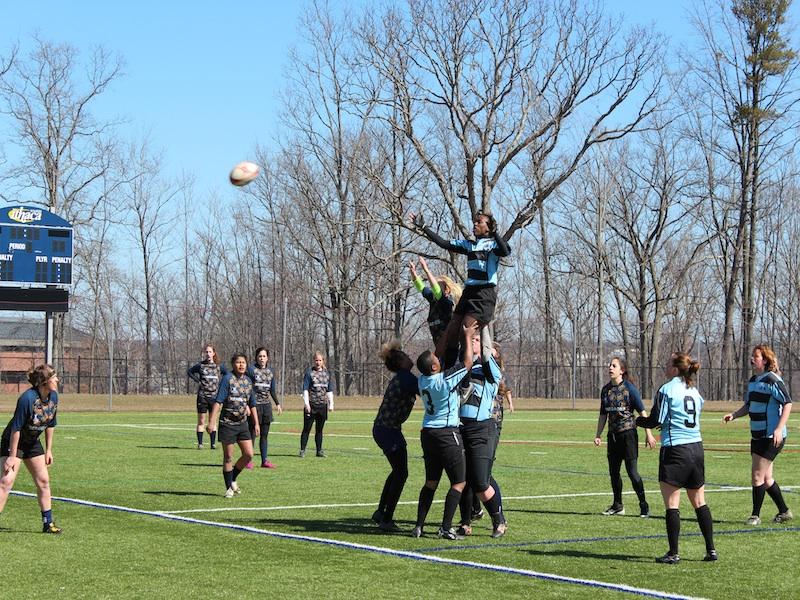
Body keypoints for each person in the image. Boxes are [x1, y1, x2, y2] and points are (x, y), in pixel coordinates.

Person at [636, 352, 717, 564]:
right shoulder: (694, 390)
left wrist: (636, 421)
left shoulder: (667, 389)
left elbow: (655, 420)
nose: (665, 365)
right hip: (696, 449)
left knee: (672, 504)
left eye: (668, 362)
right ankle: (711, 550)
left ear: (674, 368)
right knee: (699, 501)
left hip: (676, 450)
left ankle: (673, 553)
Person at [410, 211, 511, 368]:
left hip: (483, 294)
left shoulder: (493, 245)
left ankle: (465, 379)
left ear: (488, 228)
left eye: (479, 222)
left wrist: (496, 232)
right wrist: (423, 227)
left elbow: (505, 251)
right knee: (452, 330)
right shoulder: (469, 245)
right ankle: (449, 370)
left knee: (466, 331)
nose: (475, 224)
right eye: (474, 222)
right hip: (468, 292)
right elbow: (443, 243)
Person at [411, 321, 476, 540]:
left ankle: (419, 525)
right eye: (436, 359)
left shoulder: (422, 380)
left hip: (427, 433)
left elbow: (435, 356)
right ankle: (446, 527)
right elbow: (467, 362)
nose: (439, 357)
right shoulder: (444, 380)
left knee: (431, 482)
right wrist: (466, 336)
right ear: (435, 367)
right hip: (447, 433)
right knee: (459, 482)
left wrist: (448, 333)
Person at [724, 344, 793, 525]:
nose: (752, 359)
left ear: (765, 360)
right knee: (767, 479)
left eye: (756, 356)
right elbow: (749, 406)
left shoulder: (772, 380)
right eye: (753, 356)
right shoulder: (754, 380)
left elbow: (788, 403)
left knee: (757, 476)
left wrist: (779, 428)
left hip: (772, 437)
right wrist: (734, 415)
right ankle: (784, 512)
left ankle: (755, 515)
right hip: (757, 435)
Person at [455, 332, 508, 538]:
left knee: (480, 481)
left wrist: (483, 326)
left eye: (477, 340)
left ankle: (499, 520)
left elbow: (486, 355)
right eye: (472, 339)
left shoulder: (489, 367)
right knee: (463, 478)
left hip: (482, 428)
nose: (473, 341)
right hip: (460, 427)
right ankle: (465, 522)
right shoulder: (463, 364)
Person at [0, 364, 62, 533]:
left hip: (32, 442)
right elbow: (16, 428)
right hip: (14, 442)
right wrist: (12, 456)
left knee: (43, 481)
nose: (57, 379)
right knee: (6, 481)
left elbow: (51, 424)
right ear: (45, 381)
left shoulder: (54, 397)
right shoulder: (27, 399)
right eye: (54, 377)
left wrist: (48, 450)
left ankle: (47, 524)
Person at [594, 357, 656, 517]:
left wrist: (649, 434)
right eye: (609, 365)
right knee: (614, 472)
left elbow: (643, 413)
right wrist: (598, 435)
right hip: (612, 437)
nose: (610, 367)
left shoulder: (629, 389)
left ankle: (644, 505)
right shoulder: (605, 390)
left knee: (632, 473)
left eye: (614, 366)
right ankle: (618, 505)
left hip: (628, 435)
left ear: (621, 370)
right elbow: (603, 415)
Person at [371, 341, 418, 533]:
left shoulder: (404, 377)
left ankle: (381, 513)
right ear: (401, 362)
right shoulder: (406, 378)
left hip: (386, 429)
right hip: (388, 430)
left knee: (397, 471)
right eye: (406, 356)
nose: (410, 358)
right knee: (401, 473)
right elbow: (428, 389)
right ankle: (386, 519)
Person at [209, 353, 258, 498]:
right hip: (227, 423)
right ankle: (228, 487)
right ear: (233, 364)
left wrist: (256, 423)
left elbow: (252, 404)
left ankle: (233, 478)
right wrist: (211, 422)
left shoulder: (248, 381)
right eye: (238, 362)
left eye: (243, 362)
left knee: (249, 454)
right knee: (228, 457)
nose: (241, 365)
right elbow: (218, 402)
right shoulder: (227, 379)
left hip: (242, 424)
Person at [409, 257, 461, 345]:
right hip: (437, 343)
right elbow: (422, 288)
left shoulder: (447, 303)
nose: (433, 290)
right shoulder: (433, 299)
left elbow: (436, 290)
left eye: (438, 286)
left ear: (446, 290)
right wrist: (414, 274)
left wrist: (426, 270)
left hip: (450, 345)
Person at [247, 347, 282, 469]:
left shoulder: (270, 371)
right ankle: (248, 460)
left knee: (264, 435)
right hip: (254, 407)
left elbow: (272, 389)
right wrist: (247, 405)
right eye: (260, 356)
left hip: (266, 406)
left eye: (264, 356)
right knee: (252, 434)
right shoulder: (251, 370)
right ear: (257, 357)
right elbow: (248, 389)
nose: (262, 358)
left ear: (267, 358)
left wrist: (277, 404)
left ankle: (264, 461)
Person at [187, 344, 228, 450]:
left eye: (210, 352)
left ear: (214, 353)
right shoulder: (200, 366)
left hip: (214, 398)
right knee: (201, 421)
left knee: (212, 420)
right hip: (202, 397)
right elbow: (189, 372)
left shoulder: (219, 366)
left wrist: (222, 385)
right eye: (206, 352)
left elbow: (227, 375)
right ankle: (200, 444)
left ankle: (213, 444)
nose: (208, 354)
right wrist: (198, 381)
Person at [300, 351, 335, 458]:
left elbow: (329, 390)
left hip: (322, 405)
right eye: (316, 360)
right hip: (312, 405)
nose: (318, 362)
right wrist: (307, 404)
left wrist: (331, 404)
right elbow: (305, 389)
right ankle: (302, 450)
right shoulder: (309, 373)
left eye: (320, 360)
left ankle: (319, 451)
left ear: (323, 361)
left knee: (319, 430)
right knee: (307, 429)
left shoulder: (326, 373)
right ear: (313, 360)